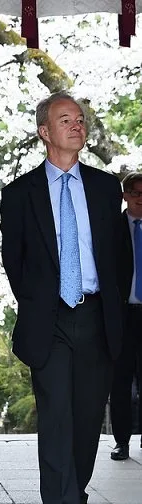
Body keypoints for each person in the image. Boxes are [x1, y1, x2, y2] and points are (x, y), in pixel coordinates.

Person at [0, 91, 123, 504]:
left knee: (87, 419)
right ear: (44, 132)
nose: (77, 125)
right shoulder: (19, 194)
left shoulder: (106, 188)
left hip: (95, 315)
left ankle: (78, 491)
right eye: (65, 119)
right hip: (48, 319)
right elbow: (15, 261)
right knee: (56, 418)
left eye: (80, 119)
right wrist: (37, 305)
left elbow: (118, 259)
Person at [110, 172, 142, 461]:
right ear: (125, 195)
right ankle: (121, 441)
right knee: (119, 382)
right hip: (122, 316)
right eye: (135, 192)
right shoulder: (113, 228)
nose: (140, 198)